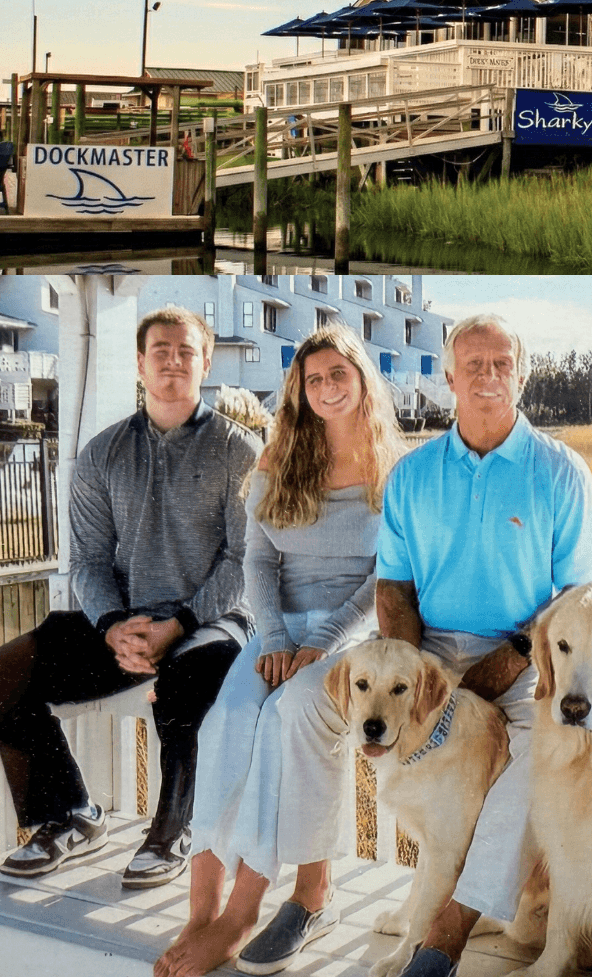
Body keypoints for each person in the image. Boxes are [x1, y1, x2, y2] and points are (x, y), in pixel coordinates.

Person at [0, 308, 262, 889]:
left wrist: (177, 624)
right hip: (120, 622)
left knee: (187, 681)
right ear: (140, 362)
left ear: (205, 362)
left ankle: (174, 828)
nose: (173, 360)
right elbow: (87, 559)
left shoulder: (241, 451)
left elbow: (244, 561)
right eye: (161, 349)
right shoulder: (102, 454)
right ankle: (70, 814)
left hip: (211, 620)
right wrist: (111, 626)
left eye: (186, 350)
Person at [155, 324, 406, 978]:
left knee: (282, 718)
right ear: (300, 389)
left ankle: (252, 908)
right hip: (277, 626)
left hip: (353, 633)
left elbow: (387, 575)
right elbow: (259, 561)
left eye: (336, 375)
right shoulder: (277, 459)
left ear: (361, 380)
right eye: (312, 379)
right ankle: (201, 908)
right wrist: (273, 638)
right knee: (228, 721)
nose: (324, 388)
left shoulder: (395, 471)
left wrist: (323, 642)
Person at [371, 313, 592, 977]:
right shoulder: (412, 475)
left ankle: (447, 930)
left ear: (522, 374)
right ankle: (338, 893)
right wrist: (416, 675)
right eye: (472, 364)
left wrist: (506, 664)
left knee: (536, 760)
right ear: (448, 377)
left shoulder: (559, 471)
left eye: (502, 363)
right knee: (381, 724)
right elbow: (393, 589)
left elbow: (577, 599)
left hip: (537, 652)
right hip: (433, 647)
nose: (488, 375)